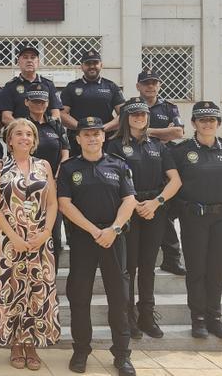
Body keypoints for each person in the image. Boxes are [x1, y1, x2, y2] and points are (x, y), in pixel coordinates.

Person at [57, 116, 137, 376]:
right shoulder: (69, 168)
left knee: (119, 298)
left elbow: (129, 200)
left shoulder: (118, 165)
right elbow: (64, 204)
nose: (92, 138)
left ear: (104, 137)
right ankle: (81, 350)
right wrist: (94, 230)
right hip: (84, 239)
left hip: (114, 238)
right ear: (78, 138)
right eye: (86, 134)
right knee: (80, 297)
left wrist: (112, 229)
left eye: (96, 134)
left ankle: (122, 354)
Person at [105, 97, 182, 340]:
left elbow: (175, 180)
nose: (140, 118)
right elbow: (111, 179)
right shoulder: (114, 145)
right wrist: (132, 203)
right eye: (134, 114)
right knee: (129, 267)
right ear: (126, 118)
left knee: (148, 265)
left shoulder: (158, 146)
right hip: (128, 210)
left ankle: (147, 315)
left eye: (143, 114)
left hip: (153, 210)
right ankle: (128, 317)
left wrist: (156, 202)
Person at [0, 118, 60, 370]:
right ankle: (15, 344)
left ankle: (32, 343)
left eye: (29, 134)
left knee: (37, 290)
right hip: (9, 239)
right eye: (18, 133)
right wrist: (14, 237)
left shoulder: (44, 166)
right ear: (9, 139)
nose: (24, 138)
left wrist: (46, 232)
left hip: (40, 238)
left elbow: (52, 203)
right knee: (12, 290)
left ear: (34, 140)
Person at [170, 101, 222, 340]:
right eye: (202, 120)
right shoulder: (180, 152)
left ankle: (215, 318)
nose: (207, 123)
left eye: (212, 119)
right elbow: (173, 185)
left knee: (216, 269)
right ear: (193, 123)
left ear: (218, 123)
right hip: (194, 219)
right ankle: (198, 319)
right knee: (197, 270)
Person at [137, 68, 186, 276]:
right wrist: (162, 133)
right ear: (138, 86)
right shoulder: (132, 106)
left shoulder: (169, 107)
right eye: (146, 83)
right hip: (139, 163)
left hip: (165, 164)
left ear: (159, 85)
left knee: (165, 213)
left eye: (154, 82)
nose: (150, 86)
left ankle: (172, 259)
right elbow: (124, 130)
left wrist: (148, 132)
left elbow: (178, 132)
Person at [25, 84, 70, 272]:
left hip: (53, 187)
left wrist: (57, 175)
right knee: (29, 232)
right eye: (35, 101)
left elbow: (65, 153)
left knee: (53, 236)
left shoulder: (56, 125)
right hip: (26, 186)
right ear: (27, 102)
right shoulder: (21, 126)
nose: (39, 105)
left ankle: (50, 280)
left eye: (42, 102)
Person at [60, 50, 126, 155]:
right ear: (81, 66)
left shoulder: (111, 86)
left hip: (106, 140)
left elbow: (124, 113)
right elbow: (62, 113)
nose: (92, 66)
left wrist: (104, 128)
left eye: (95, 63)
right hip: (78, 140)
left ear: (101, 65)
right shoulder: (71, 87)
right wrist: (81, 127)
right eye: (88, 63)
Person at [0, 44, 61, 124]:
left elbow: (56, 114)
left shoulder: (48, 85)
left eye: (33, 57)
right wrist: (25, 129)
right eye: (25, 57)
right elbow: (6, 117)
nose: (29, 60)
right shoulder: (10, 86)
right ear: (18, 62)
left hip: (44, 132)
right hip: (20, 133)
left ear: (38, 62)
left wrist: (45, 128)